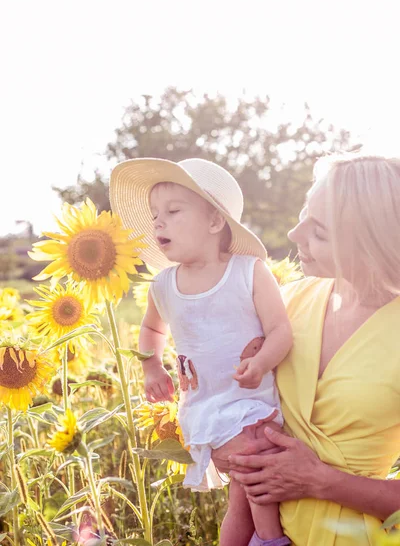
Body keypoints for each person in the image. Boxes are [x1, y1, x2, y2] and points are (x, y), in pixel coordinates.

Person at [109, 157, 293, 546]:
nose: (158, 222)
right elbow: (150, 328)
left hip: (253, 401)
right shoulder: (163, 285)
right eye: (155, 214)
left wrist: (261, 362)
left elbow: (280, 330)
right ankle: (273, 540)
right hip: (206, 408)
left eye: (173, 211)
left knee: (242, 500)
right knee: (255, 464)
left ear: (214, 222)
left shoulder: (249, 271)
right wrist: (152, 368)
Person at [228, 151, 400, 545]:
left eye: (319, 231)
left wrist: (321, 481)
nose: (294, 235)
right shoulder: (285, 304)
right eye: (305, 213)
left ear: (373, 245)